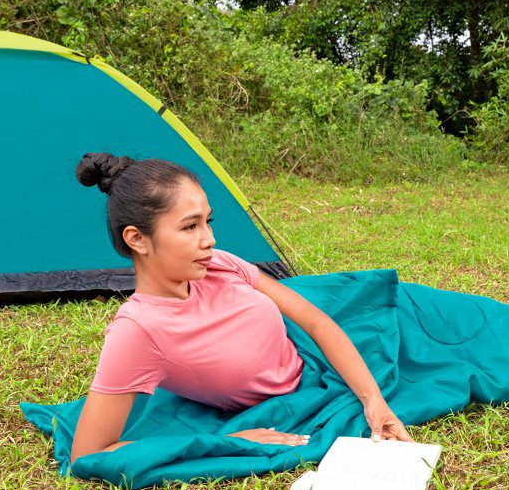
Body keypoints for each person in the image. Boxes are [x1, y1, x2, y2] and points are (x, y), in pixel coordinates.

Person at [70, 152, 412, 464]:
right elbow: (88, 452)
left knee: (418, 313)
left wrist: (373, 399)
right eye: (190, 226)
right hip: (292, 394)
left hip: (322, 345)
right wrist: (225, 442)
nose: (209, 239)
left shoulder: (218, 263)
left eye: (208, 221)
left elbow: (315, 321)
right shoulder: (138, 330)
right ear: (137, 238)